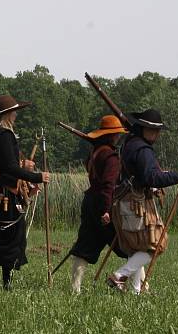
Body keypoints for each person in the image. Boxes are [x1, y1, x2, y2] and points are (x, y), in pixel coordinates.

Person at [0, 95, 50, 290]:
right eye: (13, 112)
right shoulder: (3, 135)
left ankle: (7, 284)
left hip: (3, 192)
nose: (15, 115)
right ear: (5, 115)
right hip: (3, 194)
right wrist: (38, 177)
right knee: (9, 243)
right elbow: (9, 168)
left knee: (13, 240)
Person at [107, 109, 178, 294]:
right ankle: (120, 275)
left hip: (125, 201)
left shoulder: (130, 143)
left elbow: (144, 177)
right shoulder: (143, 149)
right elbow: (152, 178)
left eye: (156, 130)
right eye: (151, 129)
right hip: (136, 203)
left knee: (135, 248)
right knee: (156, 246)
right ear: (142, 129)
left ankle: (138, 291)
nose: (156, 134)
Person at [68, 115, 128, 293]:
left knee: (84, 248)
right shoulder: (110, 157)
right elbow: (108, 186)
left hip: (90, 202)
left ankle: (75, 288)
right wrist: (106, 210)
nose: (118, 137)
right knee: (129, 247)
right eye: (117, 134)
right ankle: (138, 287)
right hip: (102, 205)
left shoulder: (94, 153)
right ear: (112, 136)